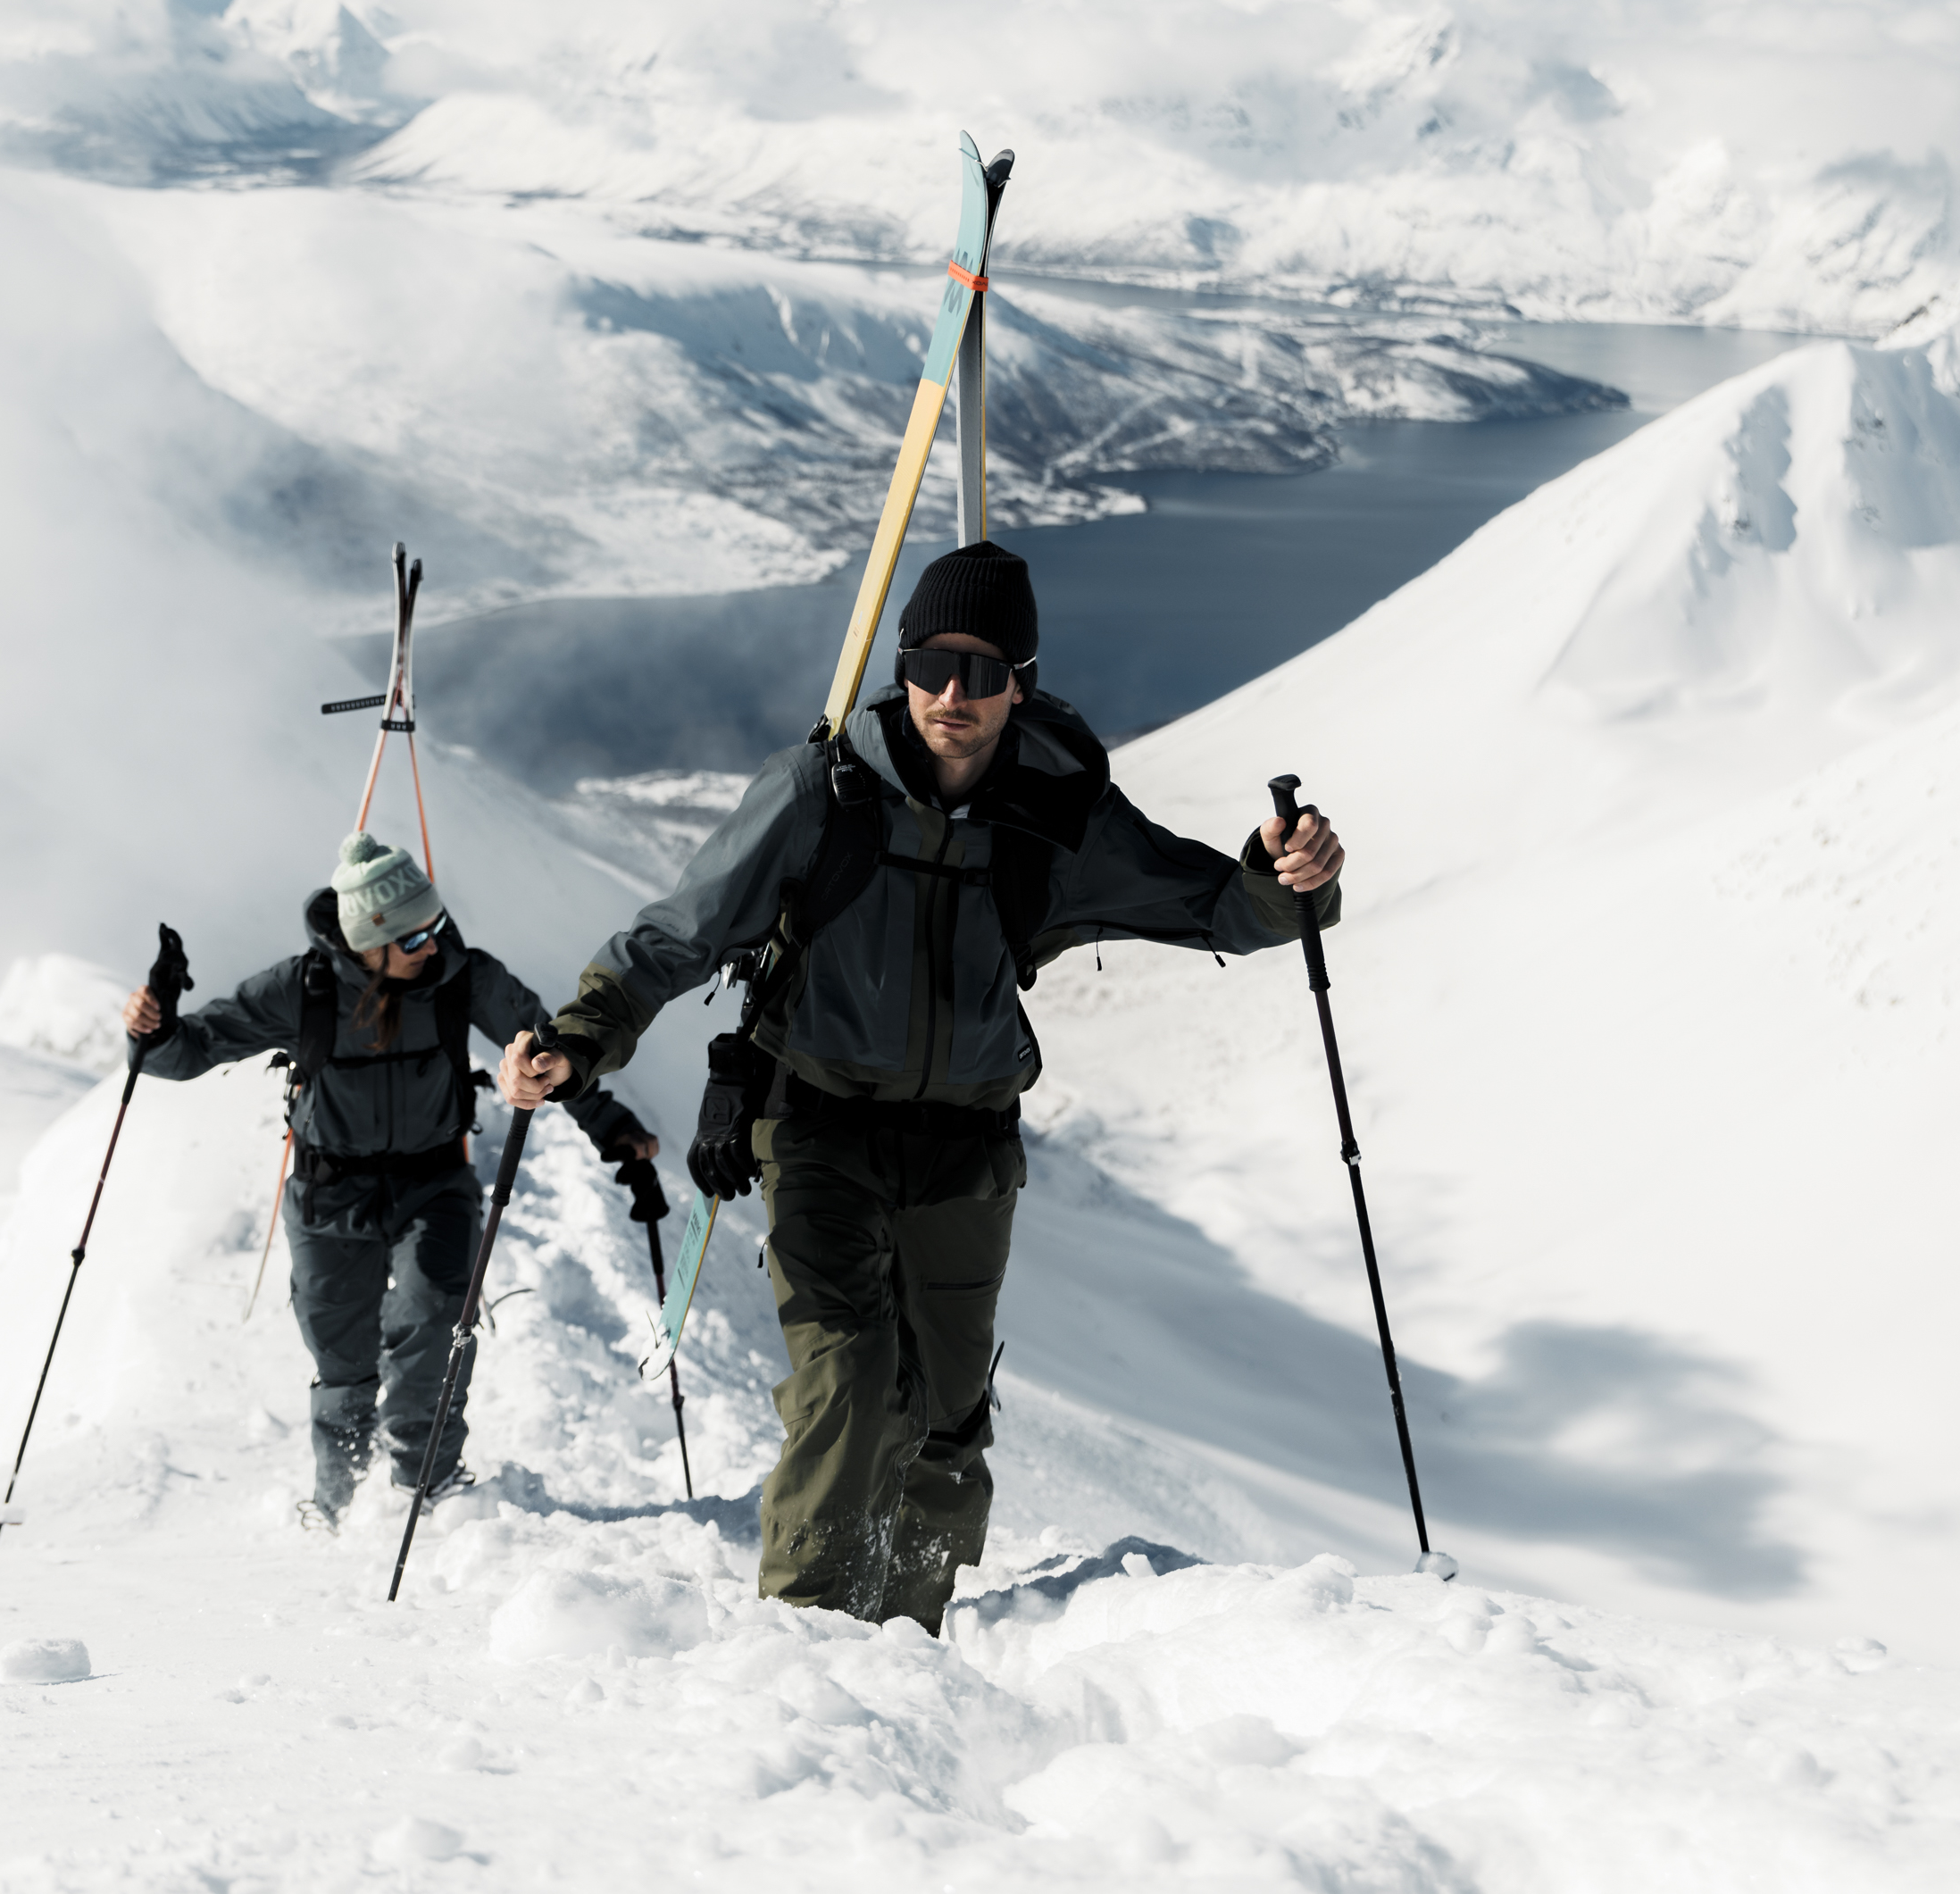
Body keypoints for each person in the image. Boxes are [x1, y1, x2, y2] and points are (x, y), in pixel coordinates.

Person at [497, 539, 1345, 1630]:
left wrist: (1290, 881)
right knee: (849, 1383)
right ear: (903, 662)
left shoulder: (1057, 811)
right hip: (819, 1128)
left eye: (987, 671)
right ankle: (804, 1643)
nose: (956, 691)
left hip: (966, 1145)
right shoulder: (822, 791)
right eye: (937, 661)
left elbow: (1216, 905)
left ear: (1020, 684)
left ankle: (910, 1636)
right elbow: (682, 929)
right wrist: (581, 1036)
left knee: (946, 1420)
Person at [123, 831, 664, 1526]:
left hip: (433, 1183)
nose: (433, 945)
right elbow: (185, 1051)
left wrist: (613, 1127)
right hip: (327, 1196)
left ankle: (427, 1489)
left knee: (431, 1320)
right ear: (366, 940)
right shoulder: (302, 988)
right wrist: (151, 1028)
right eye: (413, 938)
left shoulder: (463, 976)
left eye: (437, 925)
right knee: (343, 1361)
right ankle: (339, 1502)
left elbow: (548, 1052)